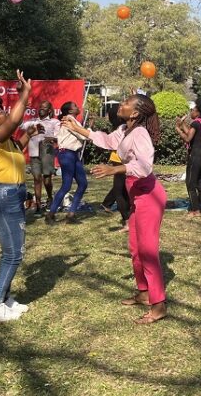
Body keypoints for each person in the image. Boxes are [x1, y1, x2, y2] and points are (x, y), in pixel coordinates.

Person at [62, 93, 168, 324]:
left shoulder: (140, 133)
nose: (122, 104)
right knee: (134, 247)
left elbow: (144, 166)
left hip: (149, 195)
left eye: (127, 103)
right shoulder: (125, 129)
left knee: (148, 251)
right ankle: (143, 292)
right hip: (136, 193)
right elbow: (107, 141)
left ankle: (158, 305)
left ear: (136, 113)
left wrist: (114, 170)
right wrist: (77, 128)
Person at [0, 71, 33, 321]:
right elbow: (13, 121)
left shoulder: (9, 143)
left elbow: (20, 145)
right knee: (13, 253)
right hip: (3, 198)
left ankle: (4, 298)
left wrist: (30, 134)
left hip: (13, 195)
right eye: (0, 112)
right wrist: (25, 93)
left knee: (17, 251)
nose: (4, 112)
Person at [46, 101, 88, 223]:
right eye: (75, 106)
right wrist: (89, 131)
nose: (78, 107)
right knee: (67, 185)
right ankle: (52, 213)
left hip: (72, 154)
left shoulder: (69, 120)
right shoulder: (69, 120)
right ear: (69, 111)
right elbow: (84, 136)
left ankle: (70, 213)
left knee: (82, 183)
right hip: (68, 154)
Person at [175, 97, 201, 219]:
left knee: (191, 183)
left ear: (198, 111)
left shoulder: (196, 123)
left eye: (192, 110)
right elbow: (192, 133)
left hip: (197, 155)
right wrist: (182, 125)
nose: (191, 112)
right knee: (200, 181)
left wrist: (177, 129)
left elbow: (188, 138)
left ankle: (195, 210)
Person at [20, 101, 60, 216]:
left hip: (47, 151)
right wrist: (23, 109)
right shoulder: (33, 121)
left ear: (49, 110)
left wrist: (50, 138)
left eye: (44, 108)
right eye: (40, 107)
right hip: (34, 152)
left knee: (47, 179)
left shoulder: (54, 122)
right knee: (36, 178)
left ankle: (50, 198)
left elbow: (58, 136)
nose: (41, 109)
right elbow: (20, 125)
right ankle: (38, 204)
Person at [99, 104, 131, 231]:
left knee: (120, 191)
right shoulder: (123, 129)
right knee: (121, 190)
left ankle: (127, 220)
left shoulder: (122, 129)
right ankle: (127, 219)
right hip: (120, 161)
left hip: (120, 161)